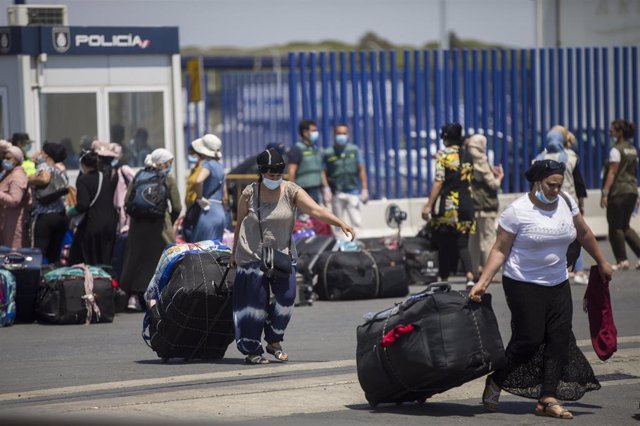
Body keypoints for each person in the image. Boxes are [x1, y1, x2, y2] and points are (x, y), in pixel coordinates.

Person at [469, 159, 613, 419]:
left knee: (558, 339)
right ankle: (497, 379)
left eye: (558, 185)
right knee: (529, 339)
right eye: (550, 185)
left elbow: (584, 234)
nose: (555, 190)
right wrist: (483, 282)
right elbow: (500, 249)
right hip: (522, 283)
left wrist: (602, 261)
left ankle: (547, 398)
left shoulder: (567, 202)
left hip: (557, 281)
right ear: (537, 182)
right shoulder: (517, 211)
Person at [231, 148, 354, 365]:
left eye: (279, 176)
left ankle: (273, 339)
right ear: (261, 173)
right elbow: (239, 223)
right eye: (271, 176)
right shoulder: (249, 193)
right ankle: (251, 349)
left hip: (281, 255)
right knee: (253, 304)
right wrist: (233, 253)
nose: (275, 180)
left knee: (287, 298)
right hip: (251, 255)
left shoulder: (291, 191)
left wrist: (340, 223)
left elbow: (316, 210)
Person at [119, 148, 182, 311]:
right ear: (164, 163)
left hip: (138, 225)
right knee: (163, 260)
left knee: (135, 259)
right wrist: (170, 221)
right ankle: (160, 296)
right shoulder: (168, 178)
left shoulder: (139, 175)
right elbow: (177, 206)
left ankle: (132, 297)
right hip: (160, 225)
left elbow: (127, 200)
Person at [422, 123, 476, 288]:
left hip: (450, 205)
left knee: (444, 241)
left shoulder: (443, 155)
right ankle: (470, 277)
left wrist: (429, 205)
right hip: (467, 204)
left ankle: (443, 276)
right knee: (463, 243)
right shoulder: (468, 154)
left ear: (444, 137)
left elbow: (439, 182)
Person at [536, 126, 589, 283]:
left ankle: (551, 268)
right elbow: (579, 184)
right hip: (568, 202)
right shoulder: (571, 157)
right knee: (575, 236)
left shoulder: (539, 158)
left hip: (545, 203)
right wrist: (581, 205)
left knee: (549, 236)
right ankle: (578, 271)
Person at [600, 119, 640, 270]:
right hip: (631, 190)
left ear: (619, 133)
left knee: (615, 226)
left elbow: (612, 172)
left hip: (619, 191)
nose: (610, 131)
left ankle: (621, 260)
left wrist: (605, 192)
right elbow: (633, 172)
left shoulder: (616, 150)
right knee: (625, 226)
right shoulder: (632, 149)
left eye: (613, 129)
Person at [68, 151, 118, 265]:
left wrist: (70, 212)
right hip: (110, 223)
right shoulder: (105, 178)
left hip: (93, 224)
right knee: (105, 258)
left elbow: (83, 205)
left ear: (83, 165)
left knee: (88, 259)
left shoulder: (82, 180)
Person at [467, 134, 503, 279]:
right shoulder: (481, 160)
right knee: (488, 238)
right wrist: (499, 176)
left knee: (473, 240)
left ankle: (474, 271)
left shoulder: (466, 159)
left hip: (472, 206)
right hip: (485, 206)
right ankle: (490, 274)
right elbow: (493, 184)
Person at [323, 123, 369, 239]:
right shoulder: (328, 152)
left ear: (347, 135)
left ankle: (357, 244)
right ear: (334, 135)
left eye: (344, 133)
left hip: (352, 191)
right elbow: (323, 171)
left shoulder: (354, 150)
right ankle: (340, 247)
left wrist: (364, 188)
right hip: (337, 193)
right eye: (339, 133)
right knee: (337, 223)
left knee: (356, 220)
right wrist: (326, 188)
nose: (341, 136)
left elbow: (361, 169)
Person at [28, 142, 69, 264]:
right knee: (54, 255)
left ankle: (36, 281)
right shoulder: (60, 169)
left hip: (44, 215)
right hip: (60, 215)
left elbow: (44, 178)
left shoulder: (44, 166)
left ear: (46, 155)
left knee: (37, 253)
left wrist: (29, 178)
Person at [188, 134, 228, 242]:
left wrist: (200, 197)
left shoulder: (208, 164)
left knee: (201, 250)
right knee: (216, 249)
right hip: (220, 212)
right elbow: (225, 196)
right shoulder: (221, 167)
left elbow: (198, 181)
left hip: (208, 211)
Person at [287, 119, 329, 205]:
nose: (316, 133)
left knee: (315, 216)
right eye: (313, 130)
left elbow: (320, 169)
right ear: (305, 132)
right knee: (302, 217)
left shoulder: (315, 149)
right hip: (303, 189)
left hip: (316, 189)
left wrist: (326, 188)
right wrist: (291, 190)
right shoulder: (297, 149)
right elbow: (292, 170)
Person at [0, 141, 30, 248]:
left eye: (9, 158)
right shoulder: (7, 173)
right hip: (5, 220)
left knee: (14, 255)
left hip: (14, 223)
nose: (5, 161)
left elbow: (15, 200)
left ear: (17, 160)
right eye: (4, 158)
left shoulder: (18, 176)